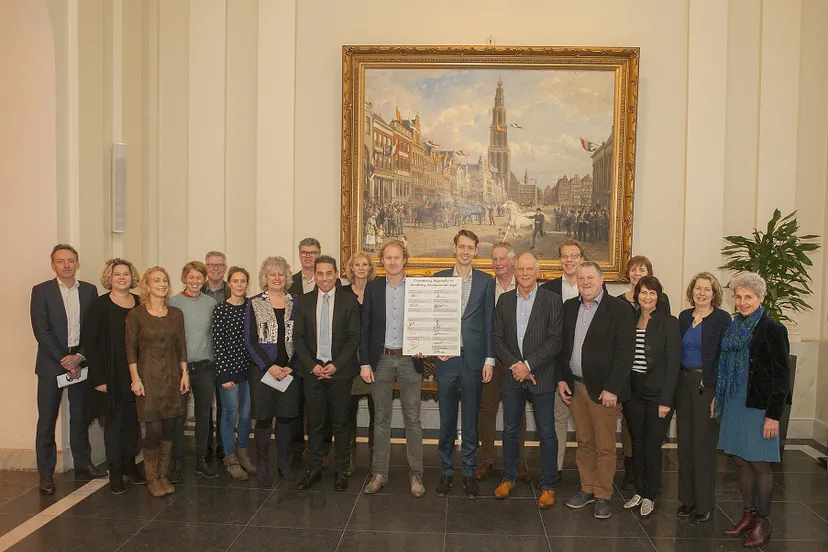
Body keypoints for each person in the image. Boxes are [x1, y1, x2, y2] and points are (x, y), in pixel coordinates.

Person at [717, 272, 790, 547]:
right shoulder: (734, 328)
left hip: (759, 407)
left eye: (748, 297)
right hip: (735, 403)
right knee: (739, 459)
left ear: (760, 298)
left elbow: (782, 376)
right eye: (738, 296)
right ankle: (747, 516)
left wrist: (773, 415)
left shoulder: (772, 328)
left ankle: (763, 521)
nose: (742, 302)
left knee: (759, 463)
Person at [557, 262, 635, 519]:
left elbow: (625, 354)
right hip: (576, 386)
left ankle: (603, 494)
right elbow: (563, 347)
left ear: (602, 281)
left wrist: (613, 388)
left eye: (590, 277)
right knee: (584, 442)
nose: (586, 282)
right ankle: (587, 488)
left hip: (604, 391)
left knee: (604, 445)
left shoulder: (620, 309)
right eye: (581, 278)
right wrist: (562, 379)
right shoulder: (569, 307)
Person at [491, 253, 563, 509]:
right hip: (512, 376)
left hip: (541, 375)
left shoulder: (553, 301)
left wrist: (529, 365)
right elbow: (497, 338)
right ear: (514, 269)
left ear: (538, 271)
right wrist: (516, 366)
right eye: (520, 268)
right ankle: (508, 478)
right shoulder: (505, 300)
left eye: (529, 269)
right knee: (510, 430)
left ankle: (549, 485)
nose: (524, 273)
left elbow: (555, 340)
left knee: (546, 432)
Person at [31, 244, 103, 495]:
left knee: (81, 415)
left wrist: (79, 356)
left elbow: (94, 328)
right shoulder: (41, 291)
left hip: (82, 359)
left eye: (70, 260)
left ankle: (83, 463)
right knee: (47, 419)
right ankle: (46, 474)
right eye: (61, 261)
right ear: (53, 264)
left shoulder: (90, 291)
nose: (66, 265)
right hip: (52, 363)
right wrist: (64, 359)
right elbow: (41, 331)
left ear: (77, 262)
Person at [361, 237, 426, 498]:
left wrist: (425, 343)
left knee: (413, 419)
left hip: (411, 359)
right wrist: (365, 362)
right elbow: (364, 329)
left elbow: (425, 321)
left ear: (405, 259)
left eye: (397, 257)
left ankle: (417, 475)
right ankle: (379, 473)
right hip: (382, 360)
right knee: (381, 419)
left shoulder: (418, 287)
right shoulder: (373, 288)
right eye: (387, 257)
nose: (392, 261)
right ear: (382, 261)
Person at [433, 230, 495, 499]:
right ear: (454, 248)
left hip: (473, 360)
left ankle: (468, 473)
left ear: (476, 251)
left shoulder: (485, 281)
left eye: (471, 247)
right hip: (446, 361)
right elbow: (430, 317)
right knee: (446, 420)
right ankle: (446, 473)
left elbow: (490, 323)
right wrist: (436, 347)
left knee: (470, 421)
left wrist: (489, 360)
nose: (466, 251)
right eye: (462, 246)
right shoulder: (439, 279)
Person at [294, 255, 361, 492]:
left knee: (341, 424)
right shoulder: (303, 301)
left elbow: (354, 338)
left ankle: (341, 470)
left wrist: (335, 365)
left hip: (340, 373)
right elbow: (298, 338)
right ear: (315, 275)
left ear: (336, 274)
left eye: (328, 273)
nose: (324, 278)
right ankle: (314, 469)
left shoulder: (349, 301)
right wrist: (313, 365)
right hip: (312, 372)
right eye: (319, 273)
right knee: (314, 424)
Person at [81, 258, 145, 494]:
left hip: (136, 375)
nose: (121, 278)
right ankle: (115, 471)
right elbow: (90, 342)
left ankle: (130, 465)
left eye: (125, 274)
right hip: (110, 375)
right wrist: (98, 378)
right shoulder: (99, 305)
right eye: (116, 274)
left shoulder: (140, 303)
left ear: (132, 277)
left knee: (133, 424)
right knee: (114, 424)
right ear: (109, 278)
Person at [125, 266, 190, 498]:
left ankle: (164, 474)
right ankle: (152, 477)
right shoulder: (136, 315)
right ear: (147, 285)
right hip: (148, 379)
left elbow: (181, 345)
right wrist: (135, 379)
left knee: (170, 429)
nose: (161, 284)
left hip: (173, 377)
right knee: (153, 430)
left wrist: (185, 373)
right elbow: (130, 349)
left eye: (164, 280)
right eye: (156, 280)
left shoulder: (176, 314)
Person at [621, 276, 680, 517]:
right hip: (633, 392)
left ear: (659, 296)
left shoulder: (669, 323)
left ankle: (650, 494)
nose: (647, 297)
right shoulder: (630, 320)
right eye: (643, 292)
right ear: (636, 295)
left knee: (652, 445)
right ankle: (639, 489)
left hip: (658, 394)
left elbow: (674, 364)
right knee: (637, 443)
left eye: (652, 293)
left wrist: (666, 400)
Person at [676, 272, 731, 523]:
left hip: (706, 386)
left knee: (704, 447)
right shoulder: (684, 317)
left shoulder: (722, 319)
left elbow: (724, 361)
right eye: (698, 288)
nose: (701, 293)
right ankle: (687, 500)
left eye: (707, 289)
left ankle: (705, 503)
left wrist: (717, 395)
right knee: (685, 445)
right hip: (683, 385)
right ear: (692, 291)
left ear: (714, 293)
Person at [245, 256, 301, 487]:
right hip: (264, 372)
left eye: (281, 274)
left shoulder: (296, 302)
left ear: (287, 277)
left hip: (289, 371)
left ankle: (283, 463)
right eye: (272, 274)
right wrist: (269, 367)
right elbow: (250, 340)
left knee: (286, 418)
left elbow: (302, 338)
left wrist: (291, 365)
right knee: (265, 419)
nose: (277, 278)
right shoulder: (254, 303)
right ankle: (264, 465)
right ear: (265, 278)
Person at [616, 254, 670, 489]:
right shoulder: (623, 307)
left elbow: (667, 350)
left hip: (655, 385)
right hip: (630, 384)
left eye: (642, 270)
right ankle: (635, 479)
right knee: (633, 434)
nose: (637, 274)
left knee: (650, 439)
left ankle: (650, 487)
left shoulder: (665, 311)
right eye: (634, 270)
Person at [477, 242, 530, 483]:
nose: (497, 264)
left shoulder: (526, 286)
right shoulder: (487, 287)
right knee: (487, 410)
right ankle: (487, 459)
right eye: (494, 260)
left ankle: (516, 462)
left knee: (516, 414)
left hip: (518, 363)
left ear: (513, 261)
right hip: (492, 360)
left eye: (502, 259)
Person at [169, 261, 219, 480]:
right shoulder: (173, 303)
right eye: (191, 277)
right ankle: (177, 463)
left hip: (205, 368)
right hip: (180, 368)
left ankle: (202, 460)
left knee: (203, 416)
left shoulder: (211, 303)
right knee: (178, 417)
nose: (195, 281)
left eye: (199, 277)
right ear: (184, 278)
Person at [541, 239, 585, 478]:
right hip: (555, 365)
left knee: (584, 424)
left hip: (584, 368)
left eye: (574, 255)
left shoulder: (591, 287)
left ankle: (586, 473)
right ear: (559, 260)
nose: (569, 260)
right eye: (565, 255)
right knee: (558, 418)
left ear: (581, 259)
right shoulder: (547, 290)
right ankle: (555, 470)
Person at [212, 266, 257, 480]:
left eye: (243, 281)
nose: (239, 285)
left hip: (249, 370)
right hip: (229, 371)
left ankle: (243, 453)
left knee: (247, 414)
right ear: (229, 284)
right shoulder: (221, 309)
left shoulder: (252, 307)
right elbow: (218, 344)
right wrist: (223, 375)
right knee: (230, 414)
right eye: (236, 281)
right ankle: (230, 458)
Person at [341, 251, 377, 475]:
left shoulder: (376, 291)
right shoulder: (343, 292)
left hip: (373, 358)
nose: (361, 268)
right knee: (348, 411)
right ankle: (349, 457)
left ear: (370, 268)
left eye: (365, 264)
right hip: (349, 359)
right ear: (351, 269)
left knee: (377, 409)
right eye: (357, 264)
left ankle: (375, 456)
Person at [203, 250, 231, 461]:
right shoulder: (196, 290)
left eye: (220, 265)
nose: (216, 269)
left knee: (225, 406)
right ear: (206, 267)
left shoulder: (233, 291)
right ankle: (205, 447)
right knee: (204, 407)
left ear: (225, 268)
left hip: (226, 359)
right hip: (203, 357)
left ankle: (223, 445)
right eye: (212, 265)